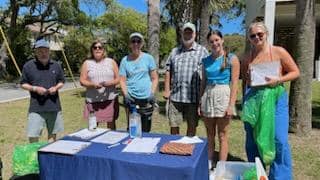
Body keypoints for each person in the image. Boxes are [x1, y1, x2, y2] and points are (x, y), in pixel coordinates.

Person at [241, 22, 300, 179]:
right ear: (249, 38)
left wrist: (279, 79)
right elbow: (246, 81)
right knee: (253, 139)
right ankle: (257, 173)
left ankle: (280, 176)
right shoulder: (247, 57)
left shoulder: (278, 52)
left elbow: (295, 72)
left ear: (266, 34)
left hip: (275, 98)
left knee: (279, 139)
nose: (257, 37)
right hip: (253, 99)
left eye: (260, 34)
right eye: (253, 35)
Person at [199, 30, 240, 169]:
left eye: (217, 40)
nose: (215, 43)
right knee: (210, 134)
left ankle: (222, 166)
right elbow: (203, 82)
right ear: (208, 44)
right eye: (211, 41)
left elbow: (235, 83)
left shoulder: (231, 58)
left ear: (222, 40)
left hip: (223, 95)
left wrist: (231, 105)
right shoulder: (205, 61)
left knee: (222, 134)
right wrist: (200, 102)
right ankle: (209, 162)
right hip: (208, 95)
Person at [164, 22, 208, 136]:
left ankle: (188, 148)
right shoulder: (175, 51)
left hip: (193, 97)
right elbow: (168, 69)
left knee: (192, 126)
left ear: (195, 34)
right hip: (176, 96)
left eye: (190, 32)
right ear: (182, 34)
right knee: (174, 125)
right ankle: (173, 147)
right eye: (185, 32)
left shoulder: (202, 51)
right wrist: (167, 89)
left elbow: (208, 72)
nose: (188, 34)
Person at [20, 38, 65, 143]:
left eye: (45, 50)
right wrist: (34, 88)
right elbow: (23, 84)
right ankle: (35, 157)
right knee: (33, 136)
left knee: (53, 135)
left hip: (54, 106)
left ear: (49, 51)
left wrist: (56, 88)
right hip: (36, 108)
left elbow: (62, 81)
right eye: (40, 51)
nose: (43, 53)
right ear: (36, 52)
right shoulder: (28, 66)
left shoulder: (56, 65)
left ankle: (49, 156)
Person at [119, 32, 158, 132]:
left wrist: (152, 93)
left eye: (138, 41)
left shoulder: (148, 58)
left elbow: (154, 78)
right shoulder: (125, 60)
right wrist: (126, 95)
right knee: (133, 129)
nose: (136, 44)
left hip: (146, 98)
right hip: (131, 99)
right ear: (130, 44)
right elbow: (122, 80)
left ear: (142, 44)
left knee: (146, 129)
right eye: (133, 41)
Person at [80, 40, 119, 130]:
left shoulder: (111, 62)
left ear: (103, 50)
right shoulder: (87, 63)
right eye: (95, 47)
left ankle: (111, 141)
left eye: (100, 47)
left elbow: (118, 79)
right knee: (93, 127)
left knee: (111, 124)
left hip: (109, 99)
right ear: (92, 50)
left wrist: (109, 83)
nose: (97, 49)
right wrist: (92, 85)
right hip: (93, 101)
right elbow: (82, 81)